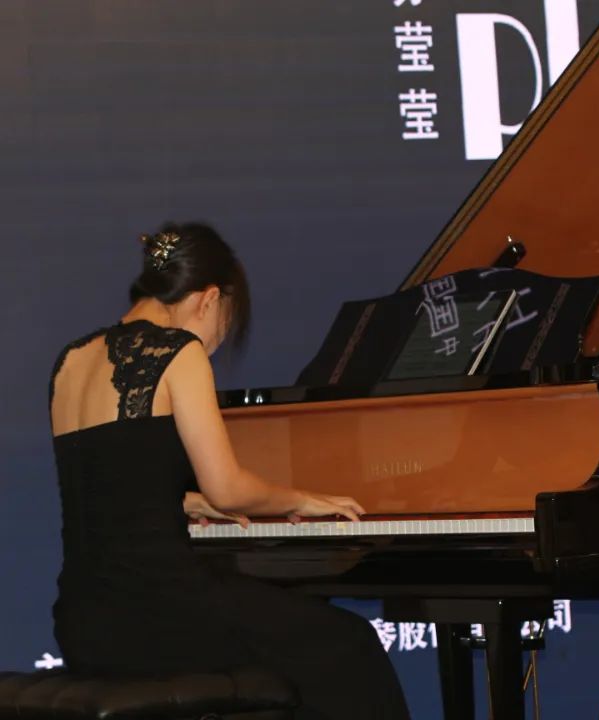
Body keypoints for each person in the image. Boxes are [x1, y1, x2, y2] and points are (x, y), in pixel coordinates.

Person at [48, 223, 410, 720]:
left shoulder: (70, 361)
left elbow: (106, 479)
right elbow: (229, 489)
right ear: (210, 298)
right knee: (350, 644)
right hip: (160, 609)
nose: (217, 341)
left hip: (83, 621)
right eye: (225, 324)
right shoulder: (178, 350)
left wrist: (179, 500)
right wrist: (300, 498)